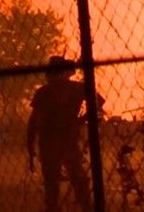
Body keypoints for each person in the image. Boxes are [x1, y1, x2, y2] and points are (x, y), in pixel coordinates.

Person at [27, 56, 102, 212]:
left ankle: (56, 208)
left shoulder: (44, 91)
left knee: (51, 183)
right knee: (77, 178)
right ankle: (87, 207)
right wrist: (82, 119)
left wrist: (30, 145)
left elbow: (33, 121)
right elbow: (99, 101)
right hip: (67, 137)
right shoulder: (76, 88)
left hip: (49, 139)